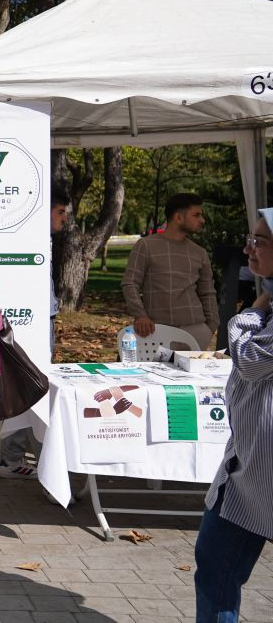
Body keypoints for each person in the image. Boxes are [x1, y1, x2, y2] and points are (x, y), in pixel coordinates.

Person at [193, 207, 273, 621]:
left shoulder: (266, 307)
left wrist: (254, 308)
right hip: (247, 469)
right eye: (251, 237)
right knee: (214, 566)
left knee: (217, 568)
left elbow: (248, 359)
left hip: (262, 471)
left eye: (260, 240)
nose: (249, 247)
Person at [0, 185, 68, 479]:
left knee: (33, 385)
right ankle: (15, 457)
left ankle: (11, 455)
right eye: (60, 212)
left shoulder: (44, 244)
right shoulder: (30, 243)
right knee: (34, 385)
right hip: (32, 323)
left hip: (42, 319)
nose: (64, 219)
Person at [122, 192, 219, 349]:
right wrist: (140, 315)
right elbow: (130, 283)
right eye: (197, 215)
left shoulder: (199, 252)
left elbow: (208, 292)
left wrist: (210, 326)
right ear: (178, 217)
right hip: (155, 331)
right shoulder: (145, 246)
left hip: (195, 331)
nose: (202, 220)